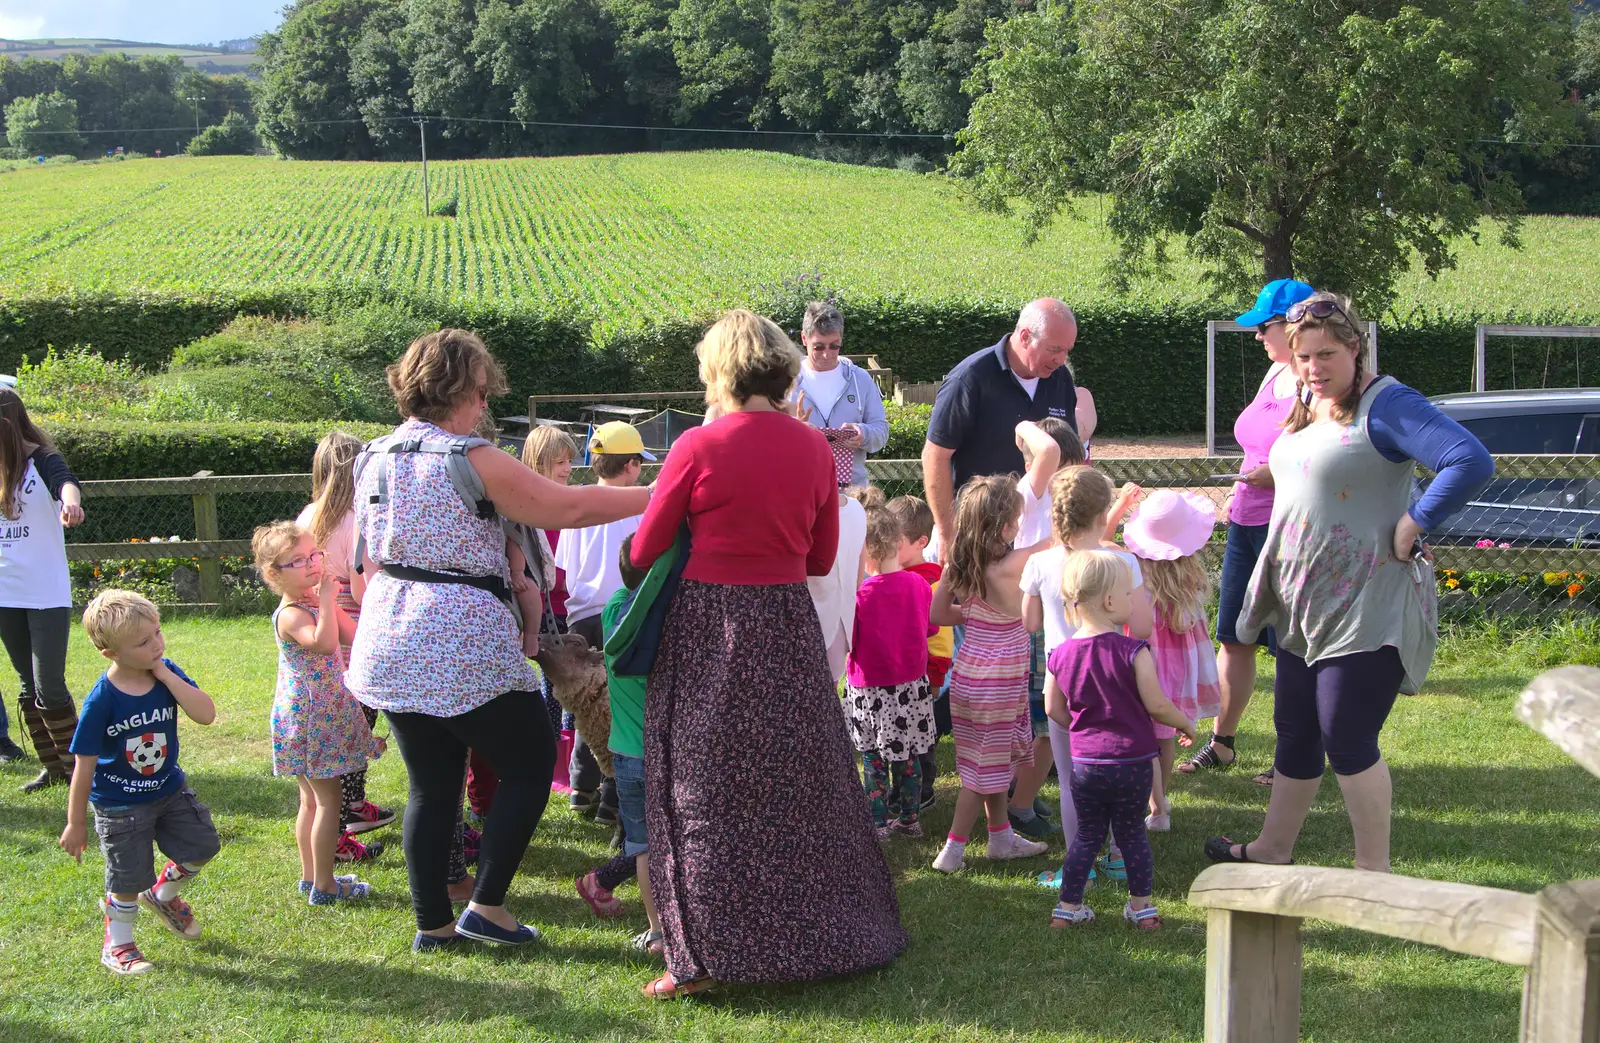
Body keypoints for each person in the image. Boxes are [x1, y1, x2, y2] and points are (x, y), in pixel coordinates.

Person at [629, 309, 906, 998]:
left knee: (699, 781)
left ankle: (700, 955)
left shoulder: (698, 444)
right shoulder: (816, 449)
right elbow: (818, 557)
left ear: (719, 371)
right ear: (784, 369)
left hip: (708, 623)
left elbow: (641, 553)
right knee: (798, 777)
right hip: (784, 623)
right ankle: (815, 930)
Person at [347, 328, 649, 952]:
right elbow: (564, 507)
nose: (484, 406)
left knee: (431, 785)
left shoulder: (372, 456)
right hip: (459, 635)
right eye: (481, 393)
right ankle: (485, 907)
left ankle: (432, 924)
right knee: (532, 765)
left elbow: (364, 555)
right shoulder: (469, 457)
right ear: (460, 389)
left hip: (390, 635)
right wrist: (663, 494)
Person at [1208, 293, 1493, 873]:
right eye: (1303, 356)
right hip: (1299, 603)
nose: (1313, 367)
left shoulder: (1386, 404)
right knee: (1294, 730)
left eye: (1327, 354)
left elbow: (1469, 459)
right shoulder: (1307, 402)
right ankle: (1272, 849)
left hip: (1367, 601)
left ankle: (1374, 874)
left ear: (1356, 346)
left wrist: (1415, 521)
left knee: (1347, 735)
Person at [1181, 278, 1315, 783]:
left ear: (1294, 325)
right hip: (1246, 519)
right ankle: (1223, 743)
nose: (1258, 336)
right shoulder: (1274, 374)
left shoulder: (1313, 381)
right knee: (1235, 636)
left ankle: (1294, 756)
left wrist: (1276, 475)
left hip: (1291, 527)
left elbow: (1323, 456)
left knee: (1290, 646)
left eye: (1264, 327)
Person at [60, 590, 220, 975]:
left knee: (203, 844)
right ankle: (118, 945)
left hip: (169, 790)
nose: (157, 645)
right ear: (111, 653)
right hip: (120, 806)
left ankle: (163, 895)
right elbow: (84, 765)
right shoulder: (102, 701)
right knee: (127, 878)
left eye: (158, 633)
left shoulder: (166, 672)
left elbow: (206, 714)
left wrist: (165, 673)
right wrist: (76, 822)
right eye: (143, 642)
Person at [1044, 551, 1196, 930]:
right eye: (1129, 595)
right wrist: (1185, 723)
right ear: (1110, 602)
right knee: (1131, 834)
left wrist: (1081, 726)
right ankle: (1142, 908)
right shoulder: (1133, 651)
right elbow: (1158, 704)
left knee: (1087, 836)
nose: (1133, 601)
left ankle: (1068, 908)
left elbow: (1052, 707)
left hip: (1086, 766)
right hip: (1132, 764)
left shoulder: (1059, 655)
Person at [1025, 466, 1152, 890]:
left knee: (1069, 778)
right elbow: (1144, 625)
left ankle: (1078, 865)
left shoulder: (1040, 562)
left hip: (1064, 678)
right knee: (1120, 763)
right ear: (1103, 515)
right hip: (1117, 675)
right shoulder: (1122, 560)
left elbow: (1030, 623)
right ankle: (1119, 855)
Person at [930, 475, 1052, 873]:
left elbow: (936, 615)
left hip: (969, 675)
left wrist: (974, 615)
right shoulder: (1018, 562)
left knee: (989, 759)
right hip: (1001, 680)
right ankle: (953, 850)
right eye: (1017, 519)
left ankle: (1000, 837)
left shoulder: (959, 564)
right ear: (1004, 527)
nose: (1020, 526)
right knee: (982, 771)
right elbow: (1062, 540)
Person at [255, 521, 380, 906]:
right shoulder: (292, 613)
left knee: (312, 801)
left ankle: (312, 878)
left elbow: (350, 636)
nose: (312, 564)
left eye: (314, 555)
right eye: (299, 561)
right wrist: (327, 597)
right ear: (275, 574)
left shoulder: (310, 600)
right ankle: (324, 886)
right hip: (310, 719)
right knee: (326, 802)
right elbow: (325, 645)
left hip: (323, 711)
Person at [921, 298, 1079, 564]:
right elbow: (934, 456)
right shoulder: (971, 378)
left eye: (1067, 351)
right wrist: (949, 534)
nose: (1061, 359)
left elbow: (1069, 460)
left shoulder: (1060, 379)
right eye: (1054, 349)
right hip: (979, 535)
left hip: (1038, 538)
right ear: (1025, 336)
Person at [297, 430, 396, 854]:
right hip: (353, 630)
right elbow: (361, 590)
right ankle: (342, 821)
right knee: (357, 724)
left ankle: (352, 804)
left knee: (338, 727)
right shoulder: (359, 518)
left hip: (316, 625)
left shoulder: (307, 516)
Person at [555, 421, 651, 823]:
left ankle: (582, 787)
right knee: (619, 708)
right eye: (639, 463)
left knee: (586, 708)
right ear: (629, 464)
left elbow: (563, 563)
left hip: (580, 616)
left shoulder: (576, 499)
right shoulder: (636, 504)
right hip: (621, 614)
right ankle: (614, 799)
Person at [573, 535, 665, 957]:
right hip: (661, 754)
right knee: (656, 842)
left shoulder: (612, 609)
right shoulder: (662, 635)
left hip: (625, 754)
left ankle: (657, 931)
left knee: (641, 844)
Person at [0, 389, 86, 790]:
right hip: (5, 592)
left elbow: (66, 484)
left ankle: (77, 769)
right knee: (25, 684)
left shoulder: (44, 460)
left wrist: (71, 503)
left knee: (48, 683)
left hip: (45, 592)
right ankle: (53, 768)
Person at [1121, 490, 1222, 832]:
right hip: (1178, 670)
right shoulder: (1189, 580)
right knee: (1163, 739)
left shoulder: (1136, 581)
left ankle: (1153, 803)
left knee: (1142, 737)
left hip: (1144, 665)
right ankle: (1160, 807)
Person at [1010, 418, 1087, 840]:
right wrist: (1023, 422)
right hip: (1040, 630)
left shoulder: (1050, 499)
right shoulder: (1034, 493)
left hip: (1055, 622)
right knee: (1046, 725)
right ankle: (1020, 805)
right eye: (1068, 469)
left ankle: (1023, 793)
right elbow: (1048, 451)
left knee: (1040, 723)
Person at [844, 507, 938, 838]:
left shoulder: (859, 596)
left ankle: (878, 822)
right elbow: (929, 628)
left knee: (873, 758)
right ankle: (910, 820)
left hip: (870, 690)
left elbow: (848, 640)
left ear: (864, 549)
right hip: (911, 687)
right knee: (909, 754)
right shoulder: (919, 584)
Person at [884, 495, 950, 812]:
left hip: (924, 678)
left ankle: (923, 790)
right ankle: (900, 788)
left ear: (921, 541)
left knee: (921, 738)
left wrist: (935, 677)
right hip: (894, 677)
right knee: (898, 735)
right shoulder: (889, 576)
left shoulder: (933, 582)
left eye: (895, 543)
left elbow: (940, 639)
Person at [791, 302, 888, 487]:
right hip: (802, 490)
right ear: (804, 338)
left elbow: (881, 431)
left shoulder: (860, 379)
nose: (827, 354)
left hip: (853, 493)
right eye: (818, 347)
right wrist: (795, 431)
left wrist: (863, 434)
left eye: (834, 346)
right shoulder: (786, 382)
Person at [807, 487, 868, 684]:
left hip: (806, 625)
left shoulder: (805, 510)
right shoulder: (857, 510)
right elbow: (859, 575)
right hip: (841, 623)